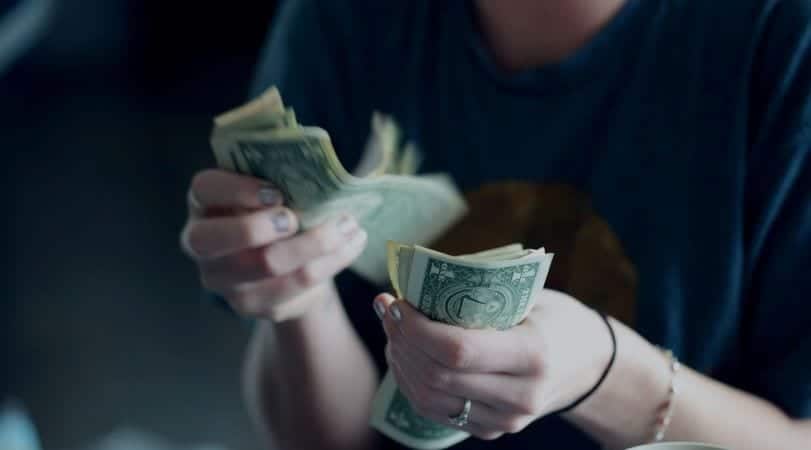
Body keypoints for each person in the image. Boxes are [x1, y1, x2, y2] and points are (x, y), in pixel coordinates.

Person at [180, 0, 811, 449]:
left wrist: (604, 374)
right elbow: (327, 440)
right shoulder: (347, 17)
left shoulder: (783, 38)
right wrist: (298, 300)